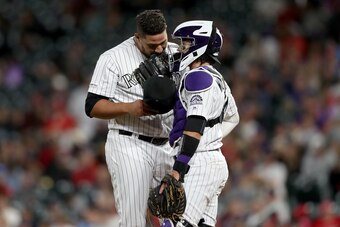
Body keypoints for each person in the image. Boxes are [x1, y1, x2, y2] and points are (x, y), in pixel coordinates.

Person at [85, 9, 178, 227]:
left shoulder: (175, 54)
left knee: (175, 217)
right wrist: (128, 107)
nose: (159, 49)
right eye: (152, 45)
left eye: (163, 42)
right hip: (130, 142)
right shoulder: (113, 58)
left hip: (167, 145)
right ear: (138, 38)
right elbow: (92, 106)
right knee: (134, 220)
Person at [160, 20, 239, 227]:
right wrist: (212, 138)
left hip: (199, 163)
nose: (182, 48)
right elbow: (233, 117)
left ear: (200, 45)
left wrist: (179, 167)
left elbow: (195, 125)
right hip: (211, 160)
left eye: (186, 43)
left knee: (174, 224)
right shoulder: (218, 78)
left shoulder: (197, 77)